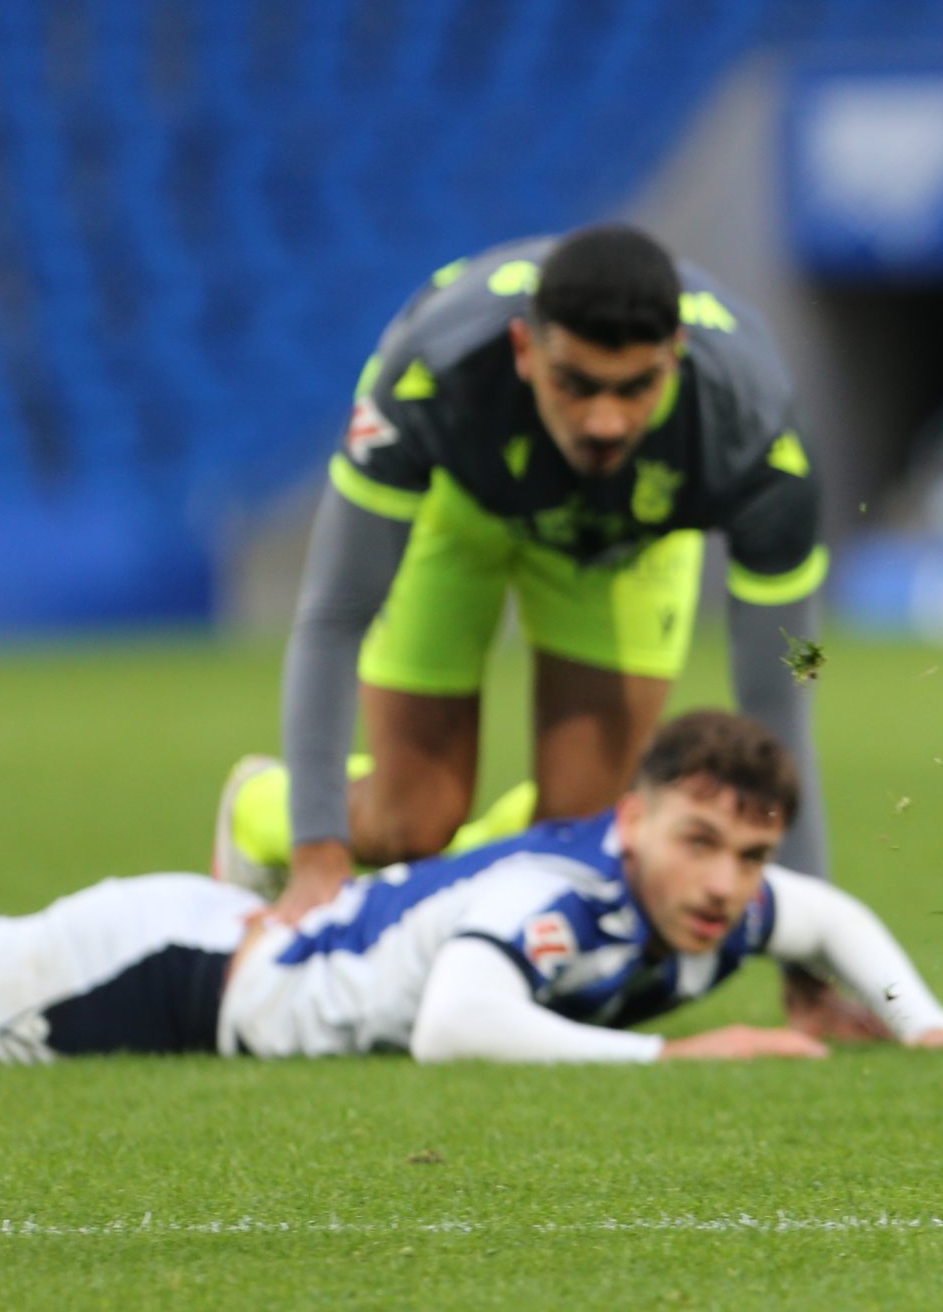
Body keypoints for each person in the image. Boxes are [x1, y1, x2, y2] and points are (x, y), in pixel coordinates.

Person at [216, 224, 870, 1038]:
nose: (603, 420)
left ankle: (454, 944)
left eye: (633, 389)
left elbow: (775, 705)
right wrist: (318, 855)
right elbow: (332, 614)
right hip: (464, 512)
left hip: (624, 549)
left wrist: (809, 976)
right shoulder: (430, 374)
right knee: (411, 821)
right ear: (524, 349)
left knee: (580, 838)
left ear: (675, 357)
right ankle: (259, 809)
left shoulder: (757, 431)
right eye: (575, 383)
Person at [0, 712, 943, 1066]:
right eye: (699, 842)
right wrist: (680, 1055)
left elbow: (828, 917)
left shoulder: (713, 904)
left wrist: (919, 1022)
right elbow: (455, 1023)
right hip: (177, 971)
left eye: (749, 857)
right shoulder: (559, 891)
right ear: (631, 819)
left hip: (226, 963)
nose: (726, 882)